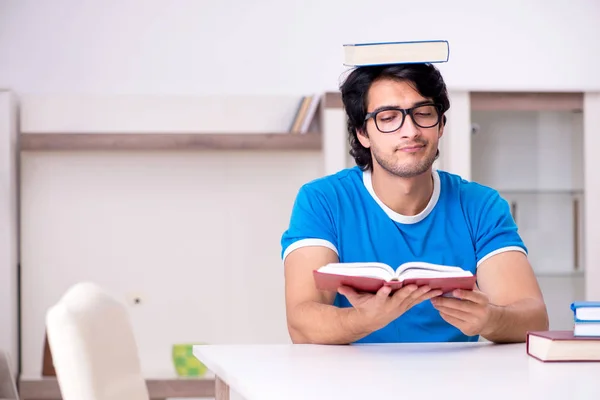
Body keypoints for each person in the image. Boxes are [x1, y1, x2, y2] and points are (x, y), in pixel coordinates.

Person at [280, 62, 549, 345]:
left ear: (441, 125)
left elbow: (533, 318)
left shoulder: (480, 205)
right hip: (354, 382)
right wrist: (365, 320)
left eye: (423, 114)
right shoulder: (323, 200)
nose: (410, 130)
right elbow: (301, 322)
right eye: (388, 117)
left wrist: (491, 319)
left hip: (454, 380)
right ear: (363, 133)